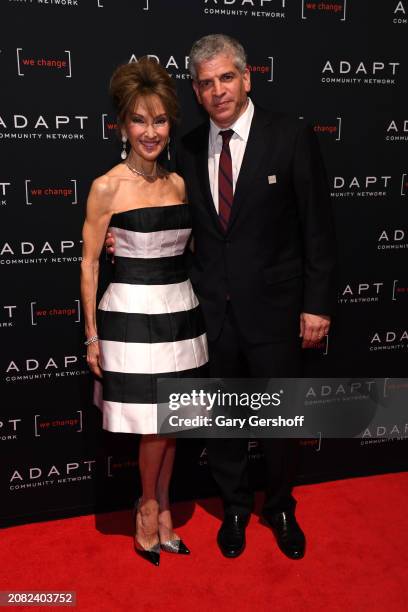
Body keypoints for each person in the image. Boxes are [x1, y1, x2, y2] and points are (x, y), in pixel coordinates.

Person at [107, 34, 337, 561]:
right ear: (195, 89)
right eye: (206, 83)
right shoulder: (185, 148)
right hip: (208, 312)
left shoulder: (292, 136)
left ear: (247, 77)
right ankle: (233, 506)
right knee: (225, 422)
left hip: (278, 311)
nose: (218, 91)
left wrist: (318, 305)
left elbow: (318, 230)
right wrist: (117, 230)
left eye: (226, 78)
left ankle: (279, 506)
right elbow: (149, 197)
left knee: (280, 420)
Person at [80, 58, 208, 566]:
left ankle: (163, 507)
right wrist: (91, 337)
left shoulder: (179, 184)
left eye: (159, 120)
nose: (150, 132)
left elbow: (192, 247)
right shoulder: (106, 187)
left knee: (170, 422)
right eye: (139, 120)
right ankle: (149, 508)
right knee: (154, 425)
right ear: (121, 125)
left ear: (170, 124)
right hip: (131, 316)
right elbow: (90, 263)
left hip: (179, 314)